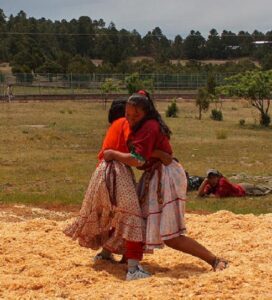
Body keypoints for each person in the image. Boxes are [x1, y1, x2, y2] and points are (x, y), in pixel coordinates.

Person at [104, 91, 228, 272]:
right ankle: (127, 258)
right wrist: (156, 154)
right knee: (136, 219)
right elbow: (146, 156)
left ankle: (214, 260)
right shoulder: (139, 126)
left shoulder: (149, 127)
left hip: (166, 176)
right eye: (128, 115)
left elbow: (137, 159)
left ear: (146, 112)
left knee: (171, 235)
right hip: (155, 174)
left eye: (135, 114)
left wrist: (113, 154)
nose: (130, 118)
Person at [64, 99, 171, 281]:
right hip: (116, 171)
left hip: (103, 172)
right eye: (130, 114)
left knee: (117, 216)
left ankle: (106, 253)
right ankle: (133, 268)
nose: (132, 118)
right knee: (132, 216)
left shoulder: (114, 125)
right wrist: (160, 153)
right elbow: (136, 156)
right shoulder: (124, 124)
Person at [198, 169, 272, 198]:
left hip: (244, 189)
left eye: (214, 177)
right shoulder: (209, 185)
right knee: (264, 190)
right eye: (210, 178)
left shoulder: (222, 182)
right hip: (240, 186)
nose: (212, 179)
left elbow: (217, 197)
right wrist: (204, 182)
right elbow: (199, 194)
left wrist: (207, 195)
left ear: (218, 177)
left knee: (265, 191)